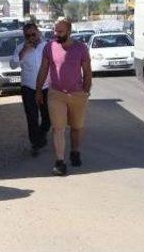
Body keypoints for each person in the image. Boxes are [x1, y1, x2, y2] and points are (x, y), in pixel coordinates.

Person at [36, 18, 92, 176]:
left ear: (68, 31)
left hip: (77, 94)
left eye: (59, 31)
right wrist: (38, 90)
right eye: (55, 30)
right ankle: (60, 162)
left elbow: (87, 71)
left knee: (76, 127)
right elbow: (43, 70)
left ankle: (75, 152)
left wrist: (85, 92)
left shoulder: (80, 48)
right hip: (56, 94)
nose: (56, 34)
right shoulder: (49, 47)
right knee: (58, 128)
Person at [10, 23, 51, 157]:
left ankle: (42, 132)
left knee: (48, 116)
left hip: (45, 87)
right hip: (28, 87)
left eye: (33, 34)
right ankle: (35, 144)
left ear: (38, 32)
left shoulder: (46, 46)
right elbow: (13, 65)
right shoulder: (20, 48)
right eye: (28, 35)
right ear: (24, 36)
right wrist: (23, 51)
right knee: (32, 117)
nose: (31, 37)